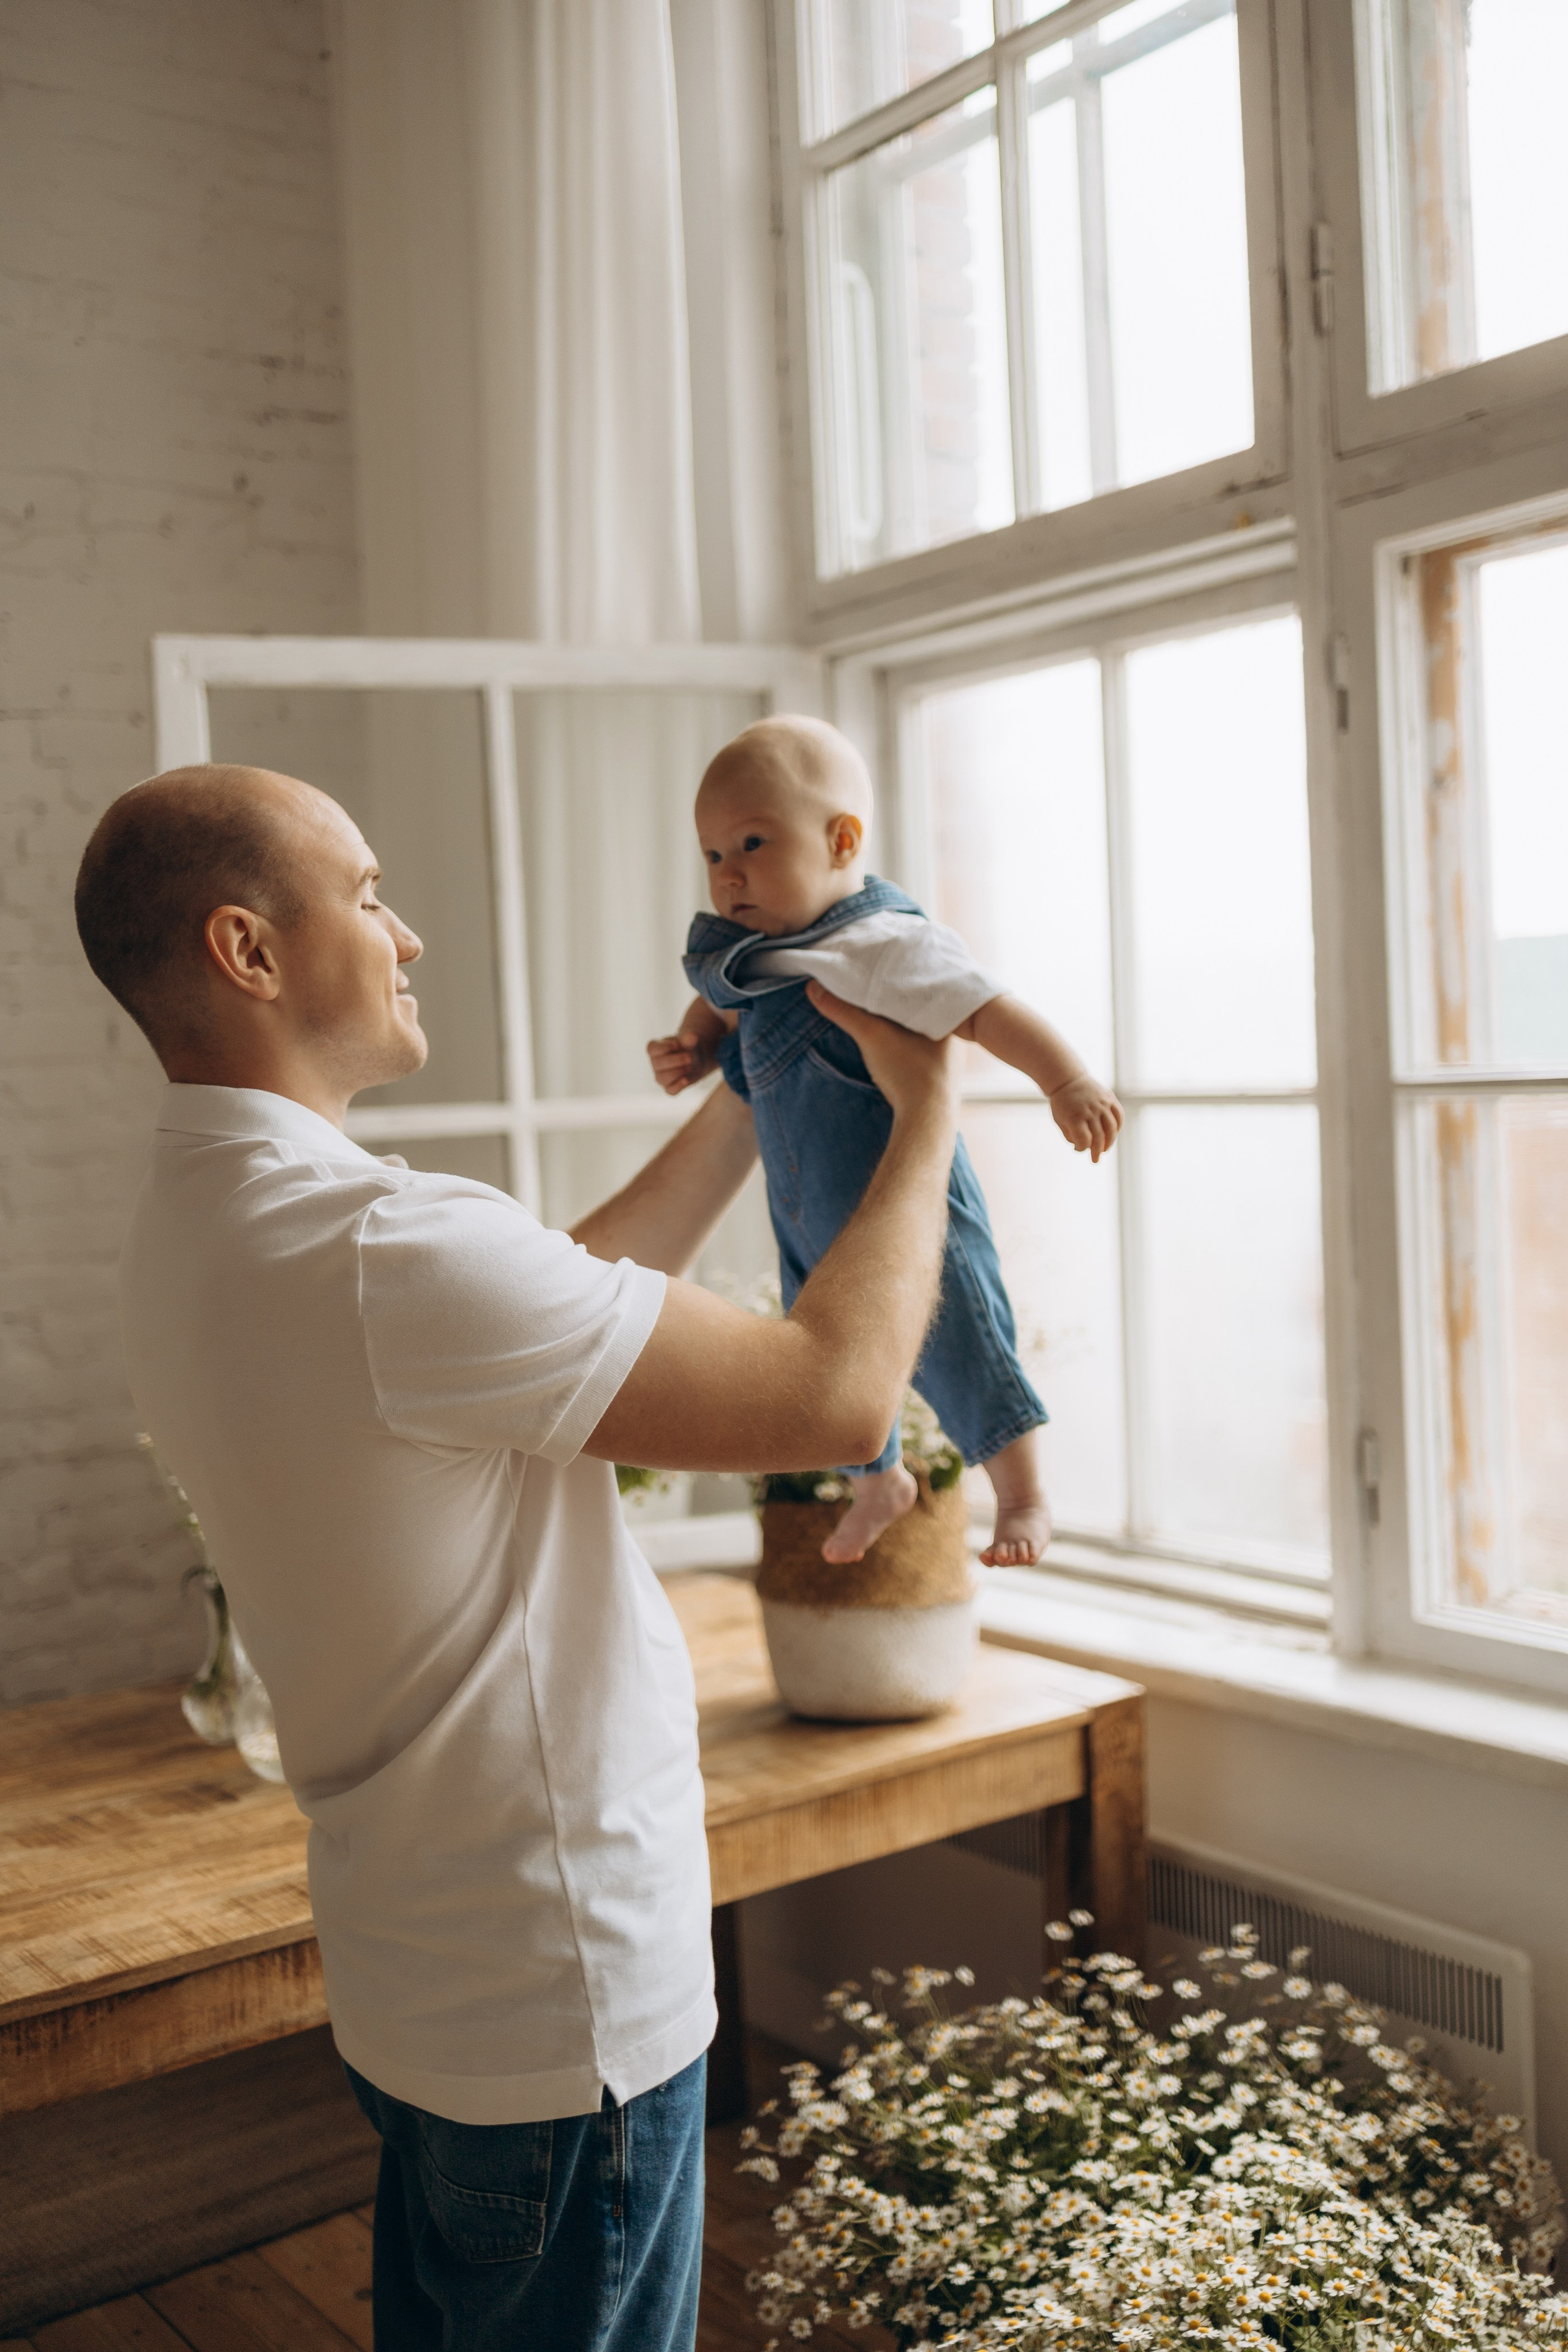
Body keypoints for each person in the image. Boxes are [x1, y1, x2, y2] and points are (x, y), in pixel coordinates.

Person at [74, 761, 962, 2352]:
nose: (406, 934)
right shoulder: (378, 1247)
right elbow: (837, 1395)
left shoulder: (204, 1220)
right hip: (563, 2015)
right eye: (365, 896)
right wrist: (930, 1106)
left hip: (428, 1985)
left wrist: (752, 1091)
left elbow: (541, 1303)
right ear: (247, 951)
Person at [647, 714, 1123, 1570]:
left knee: (964, 1330)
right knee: (824, 1357)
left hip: (907, 1201)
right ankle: (878, 1482)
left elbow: (987, 1008)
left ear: (842, 841)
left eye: (752, 842)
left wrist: (1066, 1079)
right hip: (809, 1213)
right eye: (713, 854)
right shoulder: (754, 953)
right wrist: (695, 1046)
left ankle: (1022, 1493)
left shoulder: (880, 944)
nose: (729, 874)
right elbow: (721, 1004)